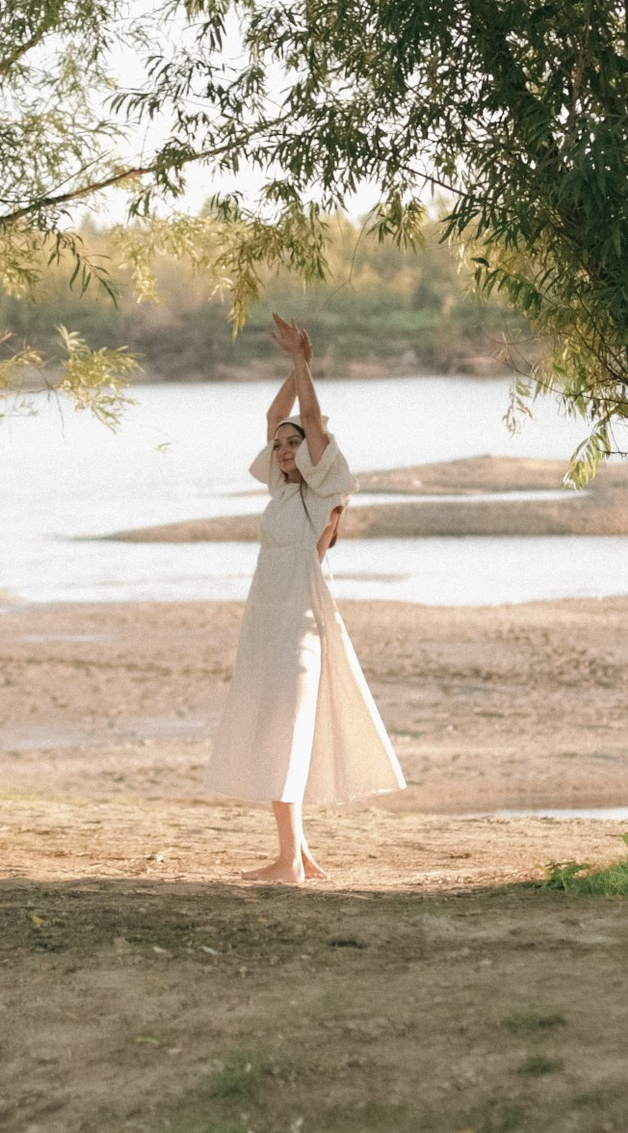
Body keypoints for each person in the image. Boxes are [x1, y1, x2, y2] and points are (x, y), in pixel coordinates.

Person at [200, 315, 406, 882]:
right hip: (266, 614)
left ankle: (287, 861)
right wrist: (295, 366)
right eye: (280, 446)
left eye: (295, 443)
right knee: (274, 723)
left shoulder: (325, 491)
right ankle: (300, 855)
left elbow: (309, 418)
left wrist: (303, 364)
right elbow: (276, 416)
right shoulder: (281, 489)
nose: (285, 447)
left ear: (317, 452)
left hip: (300, 617)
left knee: (282, 731)